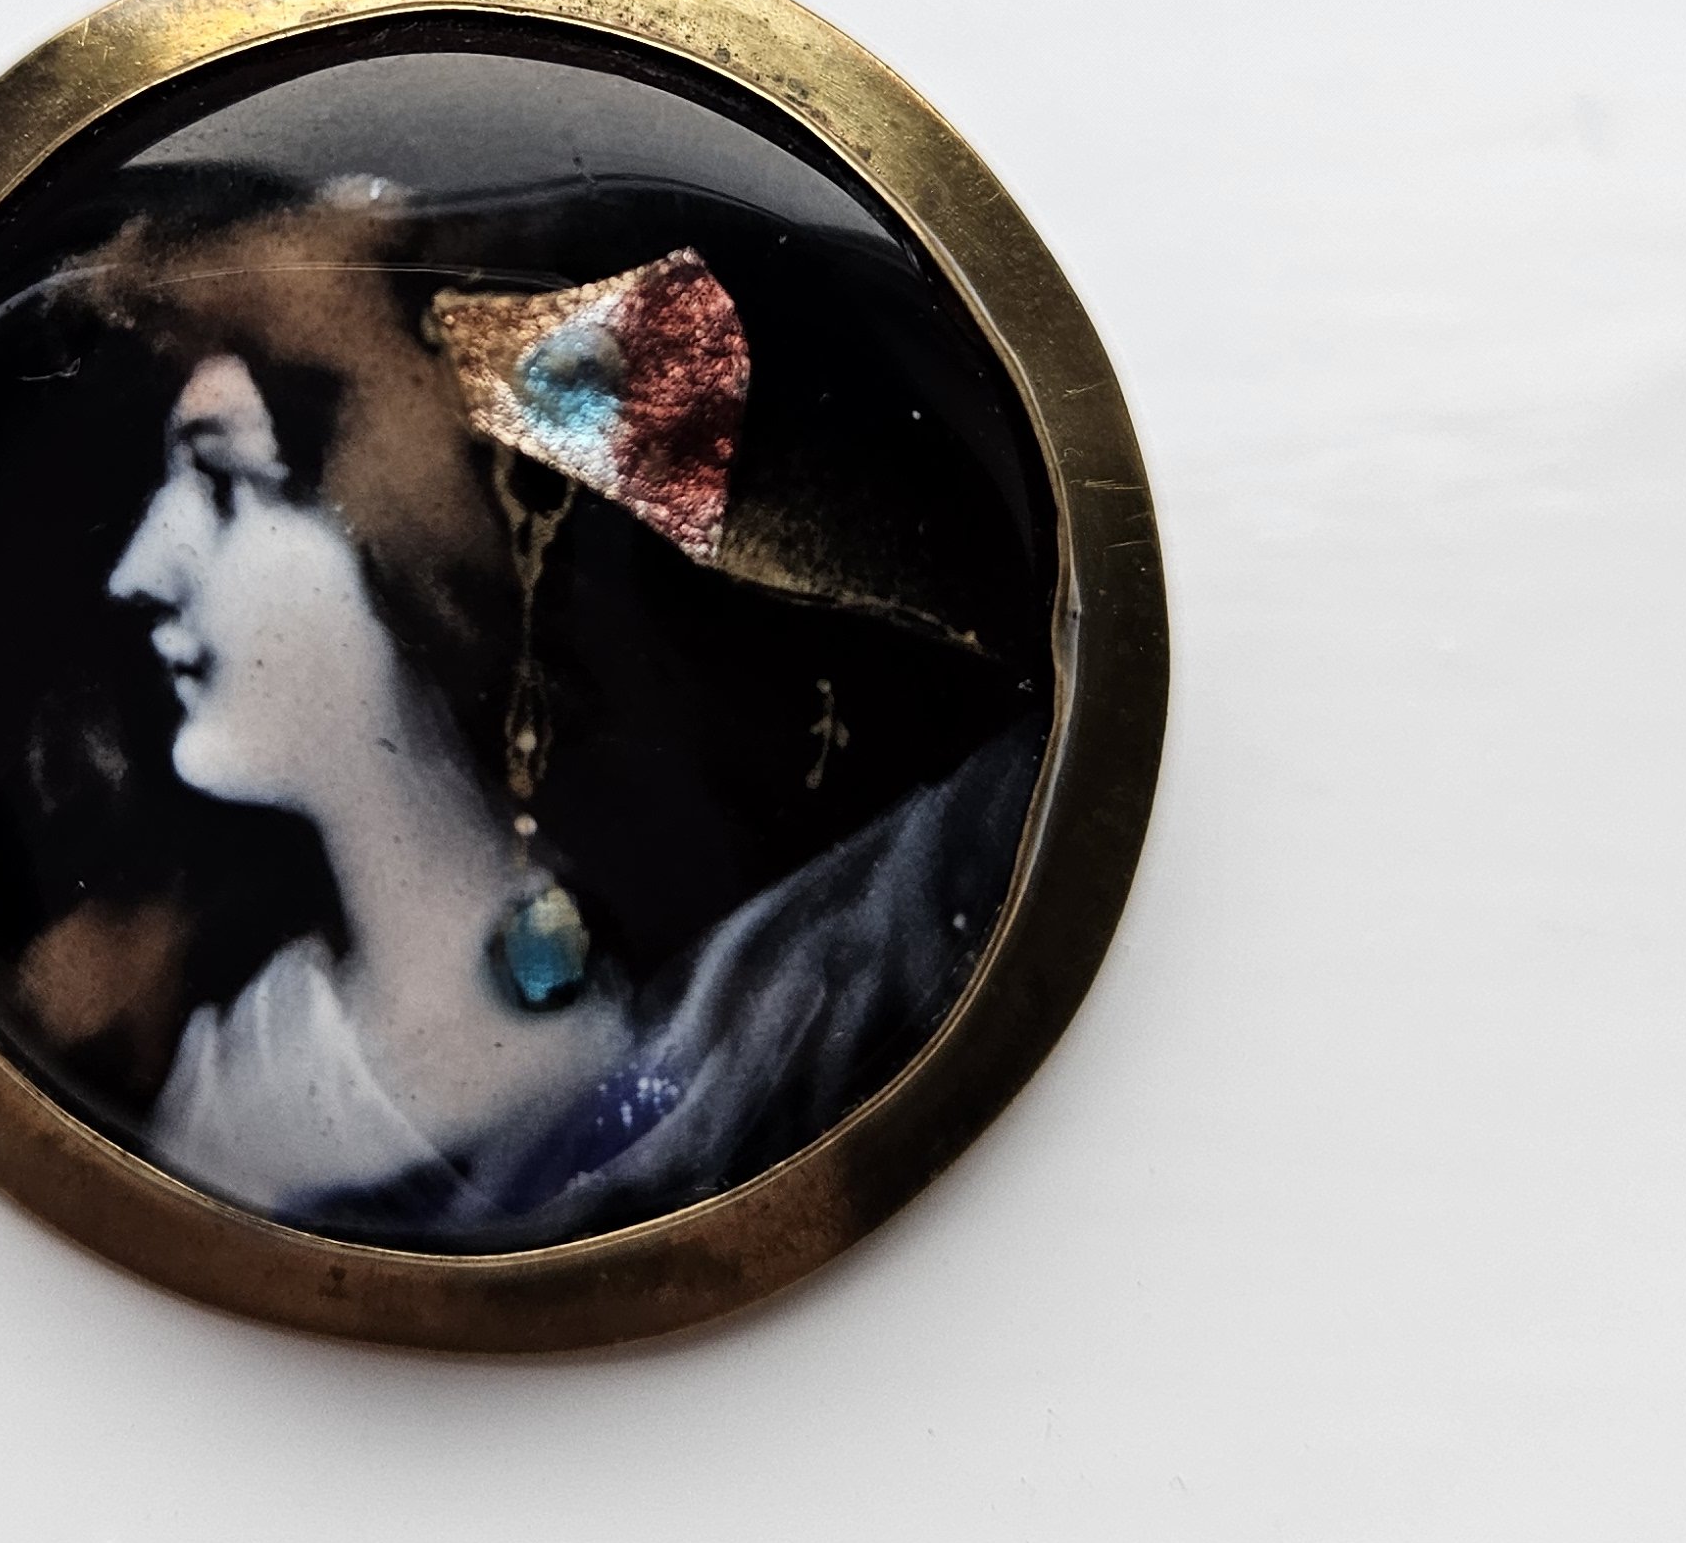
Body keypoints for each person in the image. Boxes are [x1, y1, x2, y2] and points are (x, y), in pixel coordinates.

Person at [77, 198, 1043, 1248]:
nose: (136, 571)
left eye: (224, 481)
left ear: (454, 532)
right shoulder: (232, 1077)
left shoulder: (838, 972)